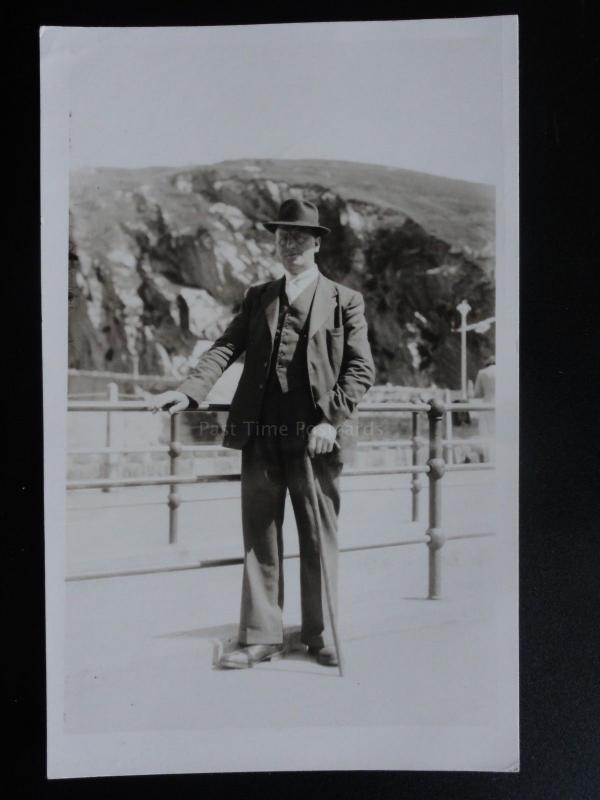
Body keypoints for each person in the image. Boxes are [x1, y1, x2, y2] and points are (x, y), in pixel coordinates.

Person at [148, 199, 375, 669]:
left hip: (318, 438)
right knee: (260, 537)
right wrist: (190, 392)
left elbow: (360, 369)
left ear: (316, 242)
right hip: (261, 434)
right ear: (275, 243)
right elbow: (226, 347)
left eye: (299, 237)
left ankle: (321, 633)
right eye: (282, 236)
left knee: (317, 537)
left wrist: (330, 420)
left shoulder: (345, 300)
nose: (289, 245)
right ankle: (261, 636)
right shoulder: (260, 296)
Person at [473, 356, 496, 462]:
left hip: (488, 404)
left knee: (487, 433)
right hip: (502, 404)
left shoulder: (482, 373)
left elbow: (477, 393)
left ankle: (489, 459)